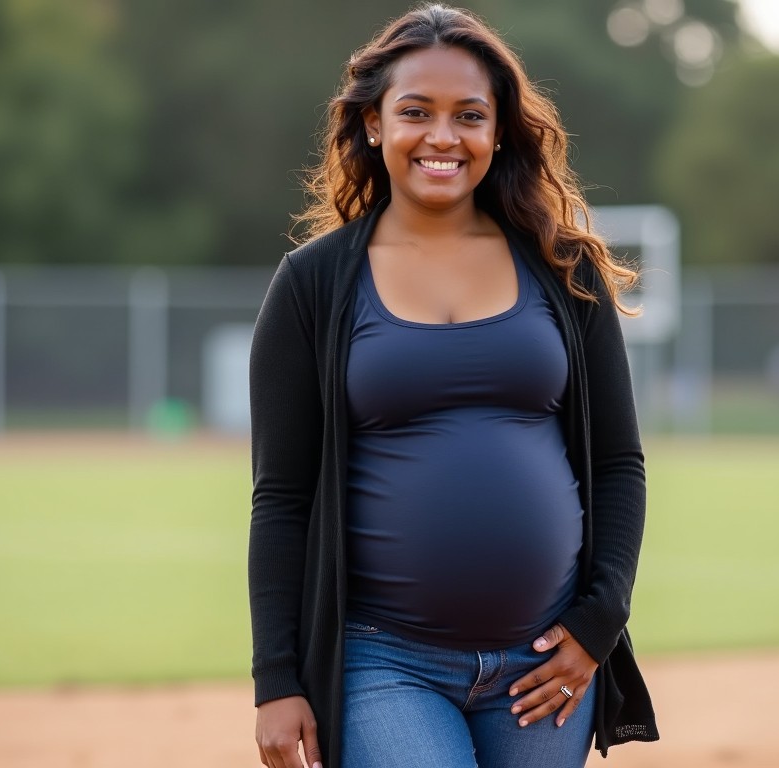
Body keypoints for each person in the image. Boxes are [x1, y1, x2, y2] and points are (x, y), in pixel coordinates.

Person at [248, 4, 658, 767]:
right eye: (416, 112)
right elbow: (281, 498)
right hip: (384, 664)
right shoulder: (312, 284)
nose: (443, 136)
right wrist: (276, 678)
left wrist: (597, 625)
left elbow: (616, 464)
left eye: (469, 114)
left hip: (544, 665)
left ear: (498, 130)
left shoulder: (564, 269)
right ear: (375, 125)